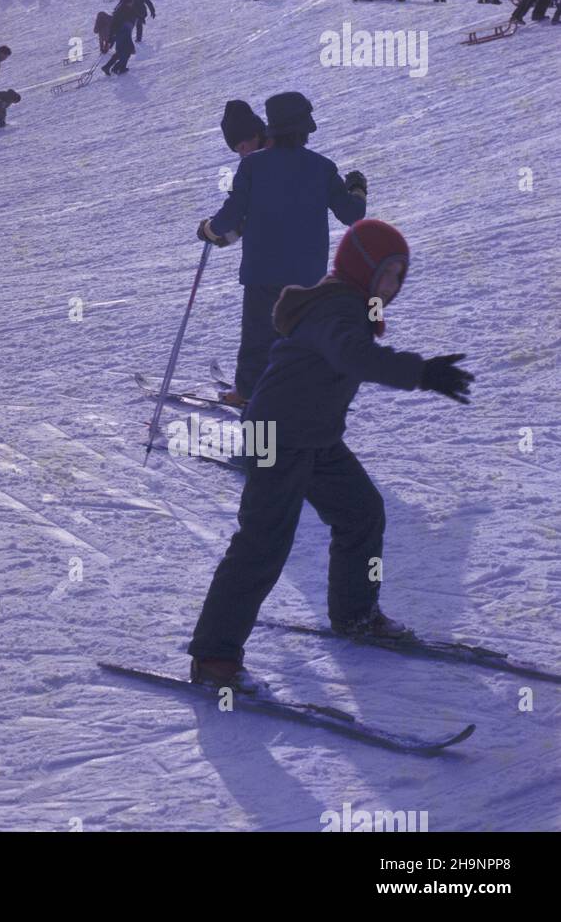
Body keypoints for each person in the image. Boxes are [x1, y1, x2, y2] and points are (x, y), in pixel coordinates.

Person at [186, 218, 474, 690]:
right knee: (262, 544)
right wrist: (420, 372)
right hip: (274, 435)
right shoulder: (337, 308)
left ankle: (355, 614)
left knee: (362, 513)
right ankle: (213, 656)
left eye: (402, 275)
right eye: (388, 272)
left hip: (313, 435)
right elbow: (352, 356)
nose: (395, 285)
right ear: (362, 267)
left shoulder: (350, 304)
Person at [197, 91, 367, 406]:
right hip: (307, 275)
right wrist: (356, 189)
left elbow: (230, 217)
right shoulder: (323, 167)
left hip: (263, 272)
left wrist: (208, 229)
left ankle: (247, 392)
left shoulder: (253, 166)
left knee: (258, 337)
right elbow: (352, 215)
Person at [102, 0, 137, 75]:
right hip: (122, 34)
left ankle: (109, 67)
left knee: (121, 52)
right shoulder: (123, 10)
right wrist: (111, 37)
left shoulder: (124, 9)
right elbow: (115, 24)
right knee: (127, 50)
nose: (132, 3)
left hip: (122, 33)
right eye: (131, 2)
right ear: (128, 2)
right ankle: (119, 68)